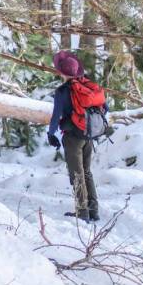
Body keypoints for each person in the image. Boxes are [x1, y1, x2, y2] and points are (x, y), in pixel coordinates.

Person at [46, 50, 106, 223]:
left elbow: (56, 116)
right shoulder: (88, 87)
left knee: (77, 174)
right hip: (88, 135)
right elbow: (105, 108)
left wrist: (51, 134)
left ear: (62, 73)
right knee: (87, 172)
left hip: (72, 137)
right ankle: (93, 210)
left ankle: (82, 212)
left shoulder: (62, 92)